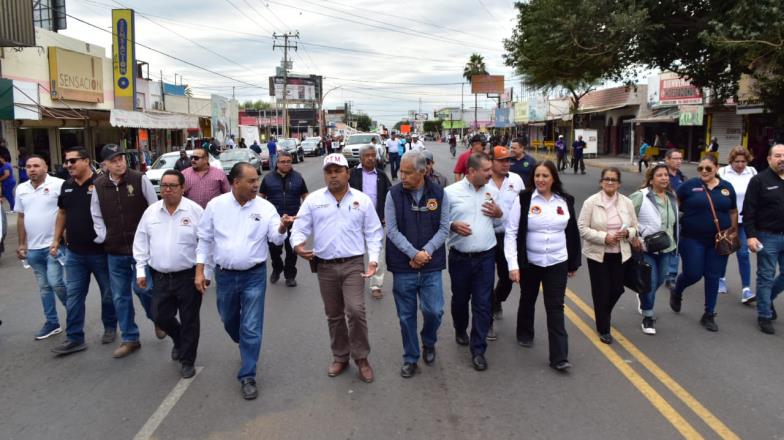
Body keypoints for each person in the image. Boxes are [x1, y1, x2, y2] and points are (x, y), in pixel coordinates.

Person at [195, 162, 288, 399]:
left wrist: (282, 227)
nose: (256, 184)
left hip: (254, 275)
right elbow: (204, 240)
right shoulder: (216, 206)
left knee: (251, 327)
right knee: (228, 320)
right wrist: (200, 271)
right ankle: (244, 341)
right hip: (224, 276)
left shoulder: (265, 208)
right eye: (251, 181)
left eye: (257, 180)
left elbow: (276, 240)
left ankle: (248, 375)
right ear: (235, 183)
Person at [290, 154, 383, 384]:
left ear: (347, 173)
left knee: (355, 310)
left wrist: (373, 260)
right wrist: (297, 245)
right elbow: (300, 227)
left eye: (338, 170)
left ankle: (361, 358)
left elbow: (373, 232)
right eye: (329, 171)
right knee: (334, 314)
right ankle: (340, 356)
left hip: (352, 264)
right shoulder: (313, 200)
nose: (333, 175)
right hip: (325, 267)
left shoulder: (362, 200)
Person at [505, 160, 581, 371]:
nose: (540, 179)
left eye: (545, 176)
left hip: (557, 261)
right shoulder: (524, 199)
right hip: (530, 261)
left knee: (555, 307)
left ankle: (559, 357)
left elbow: (572, 233)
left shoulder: (565, 200)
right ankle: (525, 332)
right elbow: (511, 232)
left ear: (553, 178)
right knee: (528, 298)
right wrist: (513, 265)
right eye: (537, 175)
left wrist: (574, 261)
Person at [385, 150, 450, 378]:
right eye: (401, 171)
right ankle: (410, 357)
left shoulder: (440, 194)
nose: (402, 176)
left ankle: (429, 341)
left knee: (435, 311)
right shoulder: (393, 194)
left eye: (407, 172)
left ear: (423, 172)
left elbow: (444, 228)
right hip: (403, 267)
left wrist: (426, 252)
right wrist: (413, 254)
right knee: (406, 316)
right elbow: (391, 230)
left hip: (431, 265)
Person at [134, 169, 204, 379]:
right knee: (159, 315)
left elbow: (206, 243)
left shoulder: (195, 211)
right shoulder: (151, 212)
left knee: (190, 319)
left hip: (188, 276)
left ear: (183, 188)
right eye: (164, 185)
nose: (167, 190)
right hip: (161, 276)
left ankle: (187, 360)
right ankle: (180, 340)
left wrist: (204, 271)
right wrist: (140, 269)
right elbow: (141, 241)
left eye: (173, 186)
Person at [91, 144, 159, 358]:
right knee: (120, 296)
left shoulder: (140, 179)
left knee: (144, 289)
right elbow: (96, 214)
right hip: (115, 250)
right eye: (114, 160)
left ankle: (158, 319)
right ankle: (130, 338)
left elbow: (154, 209)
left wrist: (152, 238)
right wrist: (103, 236)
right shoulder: (99, 185)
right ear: (104, 165)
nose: (119, 163)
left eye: (121, 158)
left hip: (141, 250)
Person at [49, 148, 118, 355]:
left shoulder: (102, 184)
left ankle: (110, 326)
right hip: (74, 254)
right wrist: (55, 239)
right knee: (74, 296)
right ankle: (75, 338)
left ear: (87, 161)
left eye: (73, 161)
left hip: (101, 252)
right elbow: (62, 213)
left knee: (108, 293)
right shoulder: (66, 186)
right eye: (67, 162)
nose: (69, 165)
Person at [445, 153, 504, 371]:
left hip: (486, 257)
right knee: (460, 299)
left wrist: (499, 213)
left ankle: (478, 349)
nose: (492, 173)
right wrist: (452, 225)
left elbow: (502, 219)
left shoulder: (492, 190)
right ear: (471, 172)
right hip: (460, 257)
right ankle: (460, 328)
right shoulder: (450, 193)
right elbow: (439, 222)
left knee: (482, 303)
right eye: (487, 170)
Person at [670, 155, 737, 332]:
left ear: (716, 168)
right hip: (692, 238)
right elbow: (675, 205)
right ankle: (677, 290)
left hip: (718, 240)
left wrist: (733, 231)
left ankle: (709, 314)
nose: (704, 171)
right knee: (693, 273)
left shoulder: (726, 188)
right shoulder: (689, 186)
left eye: (708, 168)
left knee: (713, 276)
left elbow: (732, 211)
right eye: (701, 168)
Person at [578, 168, 638, 344]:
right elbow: (582, 228)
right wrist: (605, 237)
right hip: (598, 255)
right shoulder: (591, 202)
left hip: (621, 254)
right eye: (607, 179)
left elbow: (635, 226)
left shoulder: (627, 202)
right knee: (601, 291)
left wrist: (628, 233)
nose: (610, 182)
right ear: (601, 182)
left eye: (614, 180)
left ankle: (602, 313)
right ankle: (603, 328)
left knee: (617, 289)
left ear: (619, 184)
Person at [15, 155, 67, 340]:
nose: (32, 169)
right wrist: (22, 244)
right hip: (34, 249)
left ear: (45, 167)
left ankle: (74, 313)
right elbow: (21, 217)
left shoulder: (59, 184)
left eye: (36, 166)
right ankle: (52, 323)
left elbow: (66, 212)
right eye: (28, 166)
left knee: (56, 282)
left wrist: (61, 238)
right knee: (44, 287)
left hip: (54, 245)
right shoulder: (21, 189)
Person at [630, 163, 679, 335]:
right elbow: (626, 215)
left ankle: (643, 295)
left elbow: (673, 222)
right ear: (651, 180)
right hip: (647, 247)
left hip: (667, 247)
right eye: (660, 175)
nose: (665, 178)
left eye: (666, 175)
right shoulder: (640, 196)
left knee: (659, 280)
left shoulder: (671, 196)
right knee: (650, 283)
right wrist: (635, 236)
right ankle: (648, 316)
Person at [743, 144, 784, 335]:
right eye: (778, 155)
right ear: (769, 159)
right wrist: (750, 236)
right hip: (767, 236)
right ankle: (764, 315)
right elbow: (749, 211)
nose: (782, 159)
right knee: (766, 276)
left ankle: (765, 299)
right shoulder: (759, 180)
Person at [487, 146, 525, 339]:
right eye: (501, 160)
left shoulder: (516, 180)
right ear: (491, 161)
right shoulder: (483, 180)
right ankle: (487, 323)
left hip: (509, 237)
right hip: (486, 235)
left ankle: (496, 300)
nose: (506, 164)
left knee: (508, 277)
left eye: (508, 160)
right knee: (484, 280)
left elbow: (525, 206)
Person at [259, 151, 309, 287]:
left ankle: (290, 276)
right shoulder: (268, 178)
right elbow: (261, 197)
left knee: (292, 250)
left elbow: (305, 195)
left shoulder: (298, 177)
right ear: (277, 162)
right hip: (274, 221)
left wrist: (304, 212)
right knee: (274, 249)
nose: (286, 164)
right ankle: (277, 267)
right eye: (283, 161)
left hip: (294, 220)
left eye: (288, 161)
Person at [349, 145, 392, 299]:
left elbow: (390, 196)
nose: (370, 158)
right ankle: (353, 283)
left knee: (378, 254)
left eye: (373, 155)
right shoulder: (352, 174)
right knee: (354, 254)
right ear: (361, 158)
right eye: (367, 155)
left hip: (376, 221)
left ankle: (376, 285)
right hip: (354, 221)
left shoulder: (381, 175)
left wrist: (388, 214)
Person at [717, 146, 757, 302]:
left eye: (743, 161)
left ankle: (746, 289)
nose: (740, 164)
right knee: (725, 250)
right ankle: (721, 279)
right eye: (737, 161)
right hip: (727, 219)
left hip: (745, 220)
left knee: (743, 254)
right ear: (731, 161)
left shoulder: (752, 172)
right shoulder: (723, 173)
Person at [664, 149, 686, 289]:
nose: (679, 161)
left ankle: (671, 275)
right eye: (675, 158)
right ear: (667, 159)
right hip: (665, 215)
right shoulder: (662, 175)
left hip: (679, 216)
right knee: (666, 245)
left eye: (680, 158)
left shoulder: (681, 176)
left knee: (677, 246)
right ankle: (667, 273)